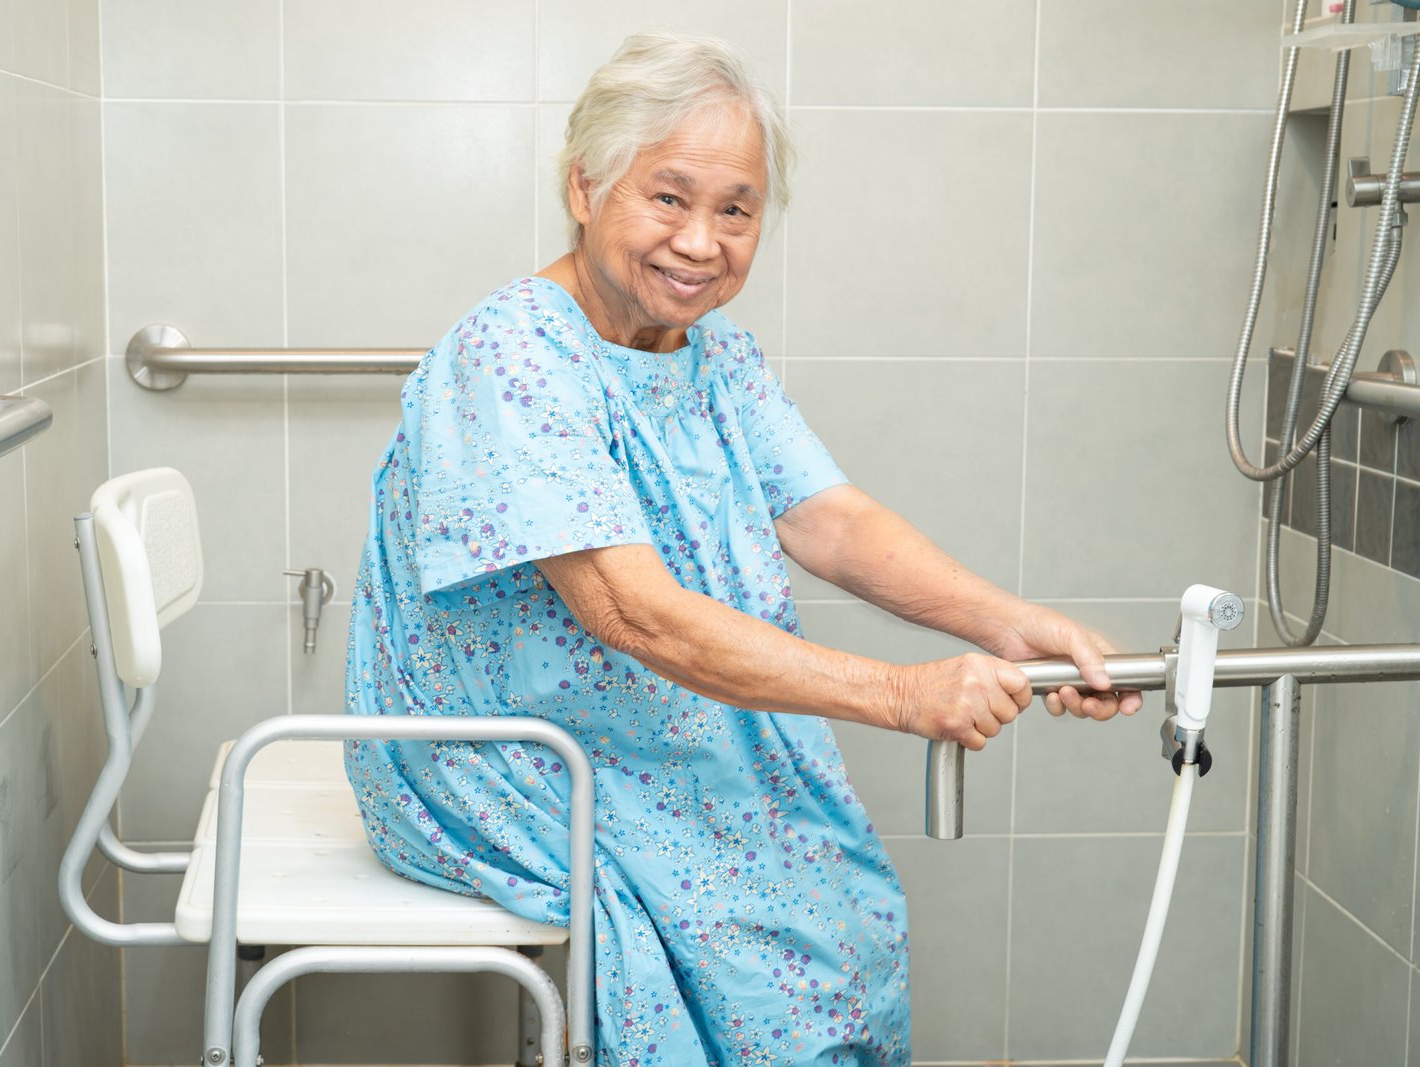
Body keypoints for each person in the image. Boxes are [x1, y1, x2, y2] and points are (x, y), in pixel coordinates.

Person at [344, 31, 1141, 1066]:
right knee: (755, 952)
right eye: (667, 198)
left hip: (655, 721)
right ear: (584, 188)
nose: (701, 241)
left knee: (839, 909)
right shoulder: (513, 354)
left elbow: (828, 517)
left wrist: (1011, 621)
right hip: (502, 747)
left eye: (736, 209)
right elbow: (628, 611)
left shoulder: (713, 353)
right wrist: (904, 696)